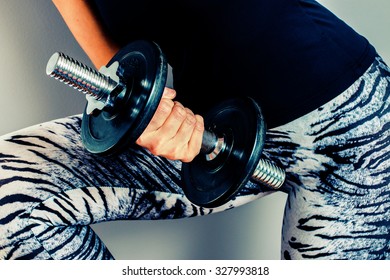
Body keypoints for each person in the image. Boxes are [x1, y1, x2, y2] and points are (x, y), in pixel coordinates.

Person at [0, 0, 388, 260]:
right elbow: (122, 65)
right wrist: (148, 113)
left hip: (351, 123)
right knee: (10, 191)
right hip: (207, 135)